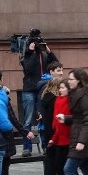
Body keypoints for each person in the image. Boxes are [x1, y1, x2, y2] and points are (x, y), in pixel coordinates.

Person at [20, 28, 56, 156]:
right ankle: (27, 148)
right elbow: (27, 68)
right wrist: (30, 52)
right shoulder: (27, 54)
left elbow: (55, 64)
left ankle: (45, 145)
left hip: (42, 89)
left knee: (43, 118)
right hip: (29, 89)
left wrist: (49, 51)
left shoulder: (44, 55)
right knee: (28, 120)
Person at [39, 76, 61, 175]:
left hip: (47, 132)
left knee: (50, 160)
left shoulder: (45, 97)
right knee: (56, 162)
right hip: (54, 133)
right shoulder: (55, 99)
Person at [50, 79, 71, 175]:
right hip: (59, 138)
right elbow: (56, 123)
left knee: (66, 168)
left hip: (68, 139)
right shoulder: (58, 100)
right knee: (59, 167)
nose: (60, 90)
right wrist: (54, 137)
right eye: (60, 88)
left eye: (63, 87)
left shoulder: (70, 101)